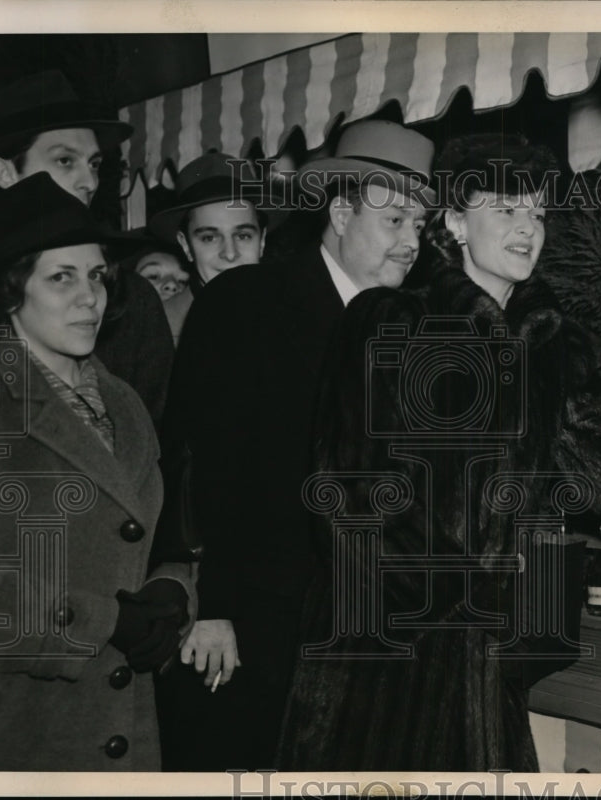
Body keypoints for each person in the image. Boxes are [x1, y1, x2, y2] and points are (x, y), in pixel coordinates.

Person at [274, 133, 601, 772]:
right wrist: (460, 594)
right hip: (386, 645)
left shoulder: (551, 346)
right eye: (505, 210)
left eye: (536, 211)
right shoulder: (392, 319)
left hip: (483, 651)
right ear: (454, 222)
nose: (527, 228)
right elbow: (352, 492)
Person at [155, 119, 436, 770]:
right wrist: (213, 607)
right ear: (340, 212)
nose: (410, 242)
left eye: (419, 226)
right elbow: (201, 456)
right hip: (256, 628)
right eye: (394, 221)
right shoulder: (249, 301)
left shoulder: (404, 327)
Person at [0, 173, 197, 771]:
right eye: (61, 277)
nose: (90, 297)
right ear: (9, 289)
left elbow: (152, 532)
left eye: (98, 276)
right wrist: (104, 621)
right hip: (18, 734)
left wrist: (174, 587)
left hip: (126, 729)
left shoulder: (122, 399)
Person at [0, 69, 175, 427]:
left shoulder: (131, 300)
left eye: (94, 164)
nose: (88, 181)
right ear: (5, 173)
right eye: (64, 160)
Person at [148, 152, 284, 347]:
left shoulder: (294, 320)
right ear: (185, 245)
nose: (229, 254)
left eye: (243, 236)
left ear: (262, 241)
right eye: (209, 238)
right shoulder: (156, 332)